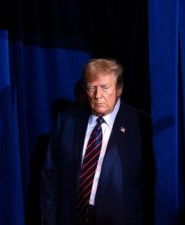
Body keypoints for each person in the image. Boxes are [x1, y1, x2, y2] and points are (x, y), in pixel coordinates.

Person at [40, 58, 155, 225]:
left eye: (105, 88)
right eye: (92, 88)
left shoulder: (139, 124)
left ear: (119, 89)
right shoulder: (66, 121)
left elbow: (149, 183)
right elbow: (50, 175)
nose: (97, 95)